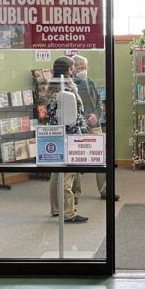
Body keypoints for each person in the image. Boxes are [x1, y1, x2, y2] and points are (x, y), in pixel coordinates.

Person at [70, 54, 119, 202]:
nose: (83, 70)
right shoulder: (69, 85)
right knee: (75, 159)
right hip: (77, 127)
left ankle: (105, 191)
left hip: (94, 125)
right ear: (73, 69)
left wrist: (96, 115)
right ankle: (74, 194)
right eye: (80, 67)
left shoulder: (90, 82)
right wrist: (84, 119)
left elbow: (99, 103)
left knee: (102, 158)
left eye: (85, 67)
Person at [47, 56, 89, 223]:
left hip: (56, 134)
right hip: (69, 136)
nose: (75, 71)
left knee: (56, 175)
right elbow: (73, 118)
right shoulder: (67, 91)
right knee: (67, 175)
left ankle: (57, 209)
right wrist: (81, 135)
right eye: (73, 69)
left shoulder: (52, 89)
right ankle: (69, 212)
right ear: (68, 71)